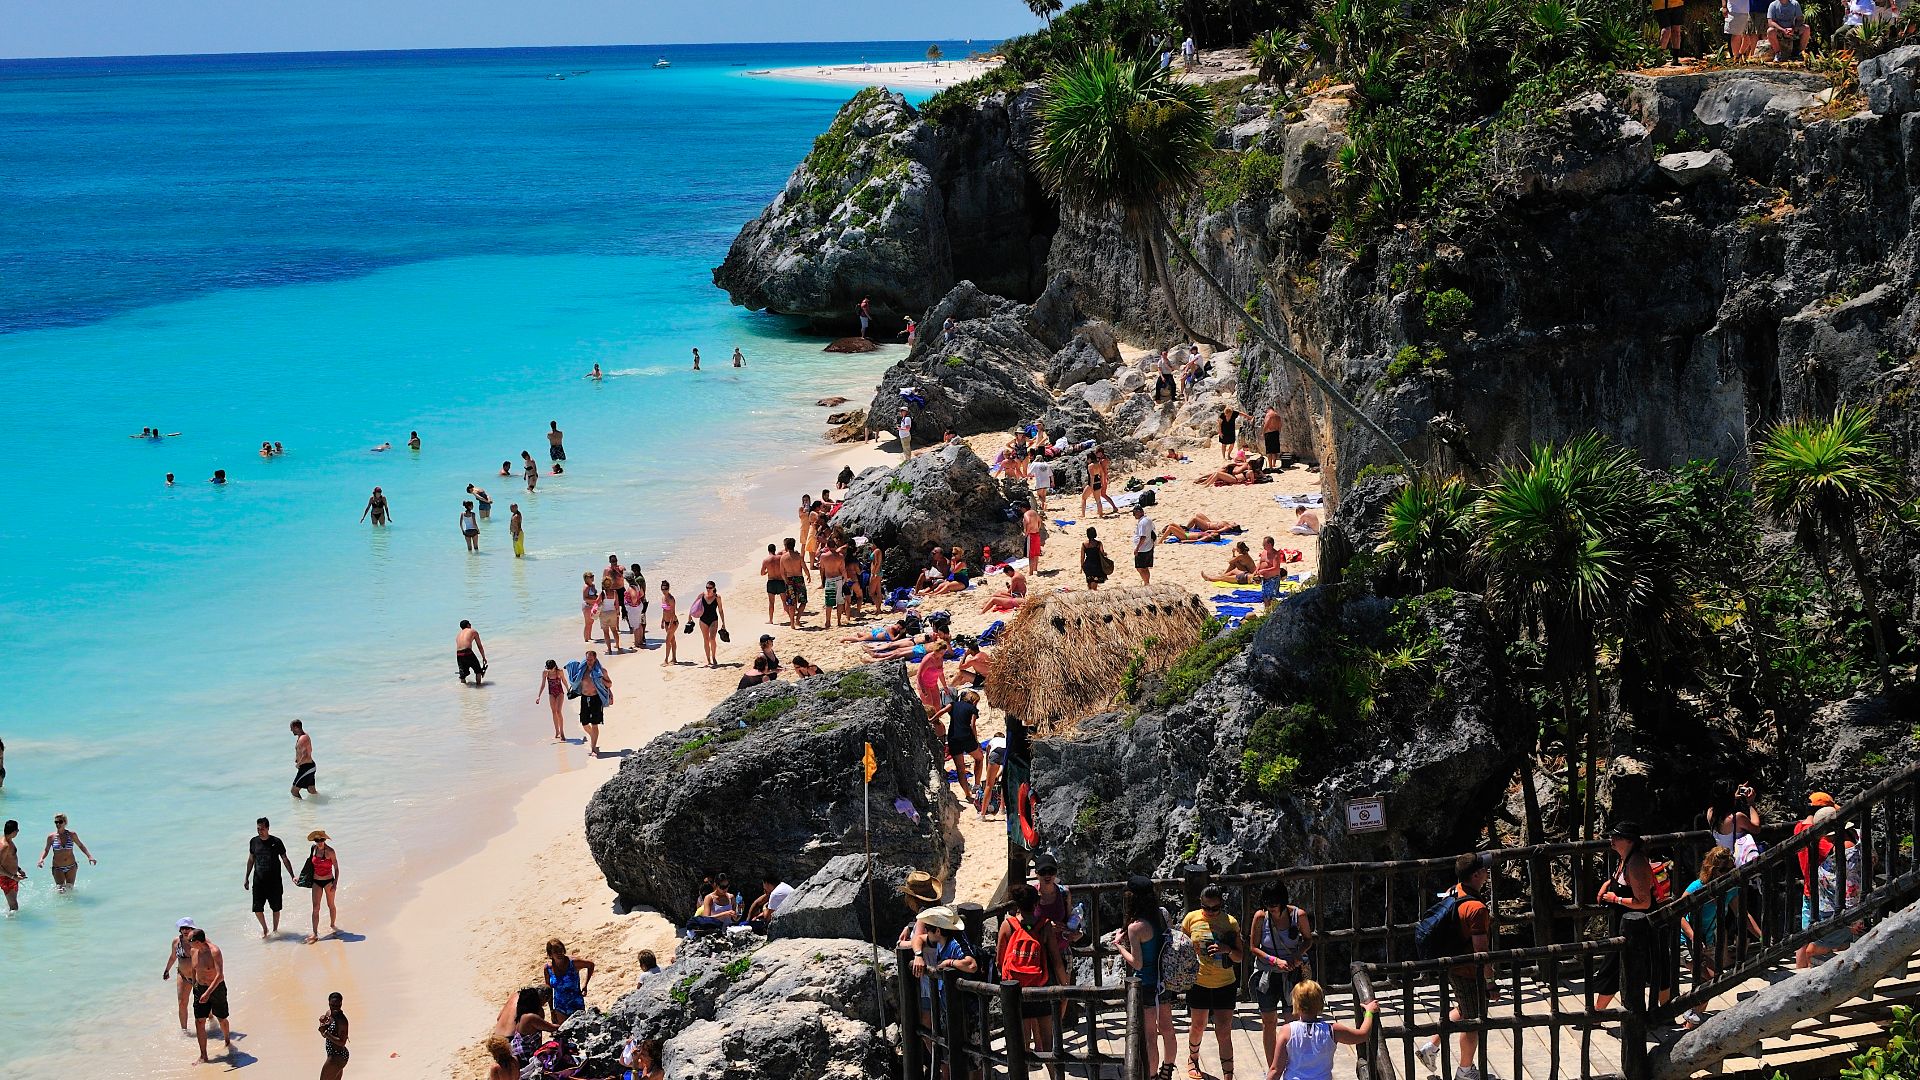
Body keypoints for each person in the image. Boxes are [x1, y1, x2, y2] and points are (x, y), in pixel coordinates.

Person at [1415, 853, 1495, 1077]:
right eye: (1485, 870)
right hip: (1468, 970)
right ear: (1477, 874)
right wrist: (1490, 982)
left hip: (1451, 963)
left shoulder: (1453, 891)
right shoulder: (1476, 909)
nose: (1488, 873)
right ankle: (1465, 1070)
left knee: (1463, 1008)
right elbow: (1481, 952)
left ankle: (1430, 1048)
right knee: (1473, 1022)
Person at [1112, 875, 1178, 1079]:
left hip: (1147, 984)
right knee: (1167, 1029)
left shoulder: (1135, 927)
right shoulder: (1162, 915)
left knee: (1150, 1036)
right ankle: (1167, 1072)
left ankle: (1151, 1075)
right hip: (1165, 980)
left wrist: (1119, 946)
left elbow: (1137, 963)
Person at [1250, 881, 1315, 1068]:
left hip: (1292, 975)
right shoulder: (1261, 917)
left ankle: (1293, 1066)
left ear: (1282, 900)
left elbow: (1308, 939)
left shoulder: (1298, 915)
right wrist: (1274, 961)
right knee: (1268, 1022)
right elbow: (1253, 947)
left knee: (1293, 1022)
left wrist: (1296, 955)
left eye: (1275, 901)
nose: (1271, 906)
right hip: (1268, 974)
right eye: (1268, 901)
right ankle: (1273, 1068)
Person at [1590, 824, 1655, 1010]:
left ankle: (1596, 1014)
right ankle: (1597, 1013)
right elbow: (1622, 880)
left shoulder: (1636, 863)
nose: (1612, 840)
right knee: (1646, 967)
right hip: (1624, 924)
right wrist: (1607, 884)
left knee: (1617, 967)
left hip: (1637, 928)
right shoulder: (1624, 859)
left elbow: (1644, 902)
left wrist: (1615, 898)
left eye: (1616, 837)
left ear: (1628, 840)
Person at [1183, 884, 1245, 1079]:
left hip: (1225, 984)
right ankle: (1193, 1059)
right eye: (1206, 908)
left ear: (1221, 905)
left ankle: (1228, 1074)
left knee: (1224, 1031)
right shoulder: (1191, 919)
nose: (1209, 912)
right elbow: (1181, 947)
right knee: (1198, 1025)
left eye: (1214, 908)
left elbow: (1240, 957)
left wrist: (1226, 949)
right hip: (1198, 982)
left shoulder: (1230, 923)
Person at [999, 884, 1064, 1072]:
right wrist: (1064, 986)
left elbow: (1000, 959)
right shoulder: (1044, 926)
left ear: (1016, 904)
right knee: (1049, 1044)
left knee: (1021, 1045)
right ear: (1037, 903)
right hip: (1041, 987)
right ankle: (1055, 1077)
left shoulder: (1007, 925)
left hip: (1015, 990)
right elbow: (1056, 960)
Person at [1266, 980, 1380, 1080]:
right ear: (1320, 1002)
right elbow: (1363, 1035)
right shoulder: (1332, 1030)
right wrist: (1369, 1012)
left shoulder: (1287, 1031)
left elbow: (1275, 1070)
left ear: (1296, 1003)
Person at [187, 928, 234, 1062]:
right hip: (200, 989)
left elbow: (220, 976)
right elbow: (193, 969)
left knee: (222, 1018)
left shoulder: (214, 952)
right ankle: (203, 1055)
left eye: (189, 940)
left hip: (216, 988)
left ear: (197, 941)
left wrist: (208, 993)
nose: (187, 942)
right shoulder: (193, 951)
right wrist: (195, 986)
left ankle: (227, 1040)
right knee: (199, 1021)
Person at [245, 817, 296, 937]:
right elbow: (251, 859)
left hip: (274, 882)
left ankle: (275, 929)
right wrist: (246, 877)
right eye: (258, 829)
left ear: (268, 828)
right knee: (257, 909)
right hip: (258, 881)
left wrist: (292, 875)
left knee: (276, 908)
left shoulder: (276, 842)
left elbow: (284, 859)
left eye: (262, 829)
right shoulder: (253, 842)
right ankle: (265, 929)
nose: (260, 831)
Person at [569, 650, 612, 757]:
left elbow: (610, 684)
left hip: (596, 699)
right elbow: (573, 677)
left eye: (591, 660)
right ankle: (593, 737)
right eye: (587, 659)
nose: (589, 662)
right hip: (584, 698)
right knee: (584, 723)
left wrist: (601, 680)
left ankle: (593, 748)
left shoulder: (601, 671)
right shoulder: (581, 671)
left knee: (594, 724)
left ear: (595, 659)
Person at [39, 812, 95, 890]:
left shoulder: (72, 834)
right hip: (58, 867)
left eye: (60, 822)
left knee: (70, 890)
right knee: (61, 891)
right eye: (56, 822)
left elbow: (81, 845)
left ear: (65, 822)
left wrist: (89, 856)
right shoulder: (51, 837)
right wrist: (41, 859)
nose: (58, 824)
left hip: (71, 866)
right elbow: (46, 850)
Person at [544, 938, 596, 1022]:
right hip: (560, 1006)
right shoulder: (548, 968)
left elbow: (591, 965)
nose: (559, 953)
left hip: (576, 1004)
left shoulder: (573, 963)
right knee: (563, 1033)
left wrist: (585, 985)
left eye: (561, 949)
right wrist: (552, 1011)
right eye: (556, 951)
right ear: (550, 954)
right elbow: (548, 990)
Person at [304, 829, 340, 943]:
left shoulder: (330, 851)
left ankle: (333, 925)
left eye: (321, 840)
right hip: (316, 881)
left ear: (324, 840)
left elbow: (336, 868)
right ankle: (315, 933)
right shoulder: (313, 849)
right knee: (316, 908)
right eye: (317, 840)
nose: (319, 842)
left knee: (331, 905)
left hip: (328, 881)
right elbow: (309, 865)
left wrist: (335, 883)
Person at [162, 918, 198, 1031]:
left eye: (187, 928)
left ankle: (211, 1019)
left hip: (198, 977)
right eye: (183, 928)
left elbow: (210, 952)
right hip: (183, 976)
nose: (185, 930)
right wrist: (167, 970)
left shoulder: (197, 941)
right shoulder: (176, 941)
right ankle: (184, 1031)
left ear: (192, 928)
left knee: (204, 1002)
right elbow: (173, 957)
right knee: (182, 1003)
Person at [693, 581, 727, 668]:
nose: (708, 589)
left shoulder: (717, 597)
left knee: (712, 639)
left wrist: (723, 622)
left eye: (710, 588)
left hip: (713, 620)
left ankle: (714, 657)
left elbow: (720, 610)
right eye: (707, 587)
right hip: (703, 620)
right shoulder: (702, 595)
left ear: (714, 588)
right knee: (706, 639)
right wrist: (689, 618)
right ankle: (708, 660)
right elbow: (693, 606)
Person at [319, 991, 351, 1077]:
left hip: (338, 1056)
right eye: (332, 1005)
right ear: (329, 1003)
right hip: (332, 1054)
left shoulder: (342, 1021)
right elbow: (323, 1034)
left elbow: (342, 1042)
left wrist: (326, 1033)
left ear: (341, 1003)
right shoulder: (328, 1014)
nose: (335, 1008)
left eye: (338, 1005)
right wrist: (322, 1024)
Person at [536, 660, 568, 740]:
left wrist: (568, 690)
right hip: (551, 693)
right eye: (548, 668)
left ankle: (562, 732)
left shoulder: (559, 671)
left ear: (554, 666)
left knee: (558, 711)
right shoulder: (545, 672)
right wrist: (538, 696)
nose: (549, 670)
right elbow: (543, 684)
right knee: (553, 712)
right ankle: (557, 732)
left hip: (560, 692)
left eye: (551, 668)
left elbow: (564, 680)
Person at [1255, 537, 1286, 613]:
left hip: (1273, 579)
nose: (1263, 545)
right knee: (1265, 596)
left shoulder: (1275, 555)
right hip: (1265, 579)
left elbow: (1275, 568)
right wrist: (1257, 569)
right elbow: (1261, 562)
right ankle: (1267, 612)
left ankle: (1272, 613)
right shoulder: (1264, 552)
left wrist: (1264, 570)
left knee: (1271, 598)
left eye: (1264, 544)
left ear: (1270, 544)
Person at [0, 819, 24, 913]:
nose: (18, 832)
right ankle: (13, 925)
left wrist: (19, 869)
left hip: (13, 877)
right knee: (14, 906)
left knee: (12, 904)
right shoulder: (4, 845)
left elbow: (9, 859)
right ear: (13, 831)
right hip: (6, 878)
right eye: (17, 830)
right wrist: (13, 876)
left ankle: (10, 922)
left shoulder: (9, 841)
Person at [291, 719, 318, 798]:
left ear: (296, 727)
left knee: (294, 791)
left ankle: (300, 810)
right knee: (311, 790)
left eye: (292, 728)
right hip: (308, 767)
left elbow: (305, 754)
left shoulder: (303, 738)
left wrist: (298, 764)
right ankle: (318, 808)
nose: (291, 730)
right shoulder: (301, 737)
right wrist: (297, 759)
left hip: (306, 767)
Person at [457, 619, 489, 685]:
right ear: (468, 625)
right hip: (468, 652)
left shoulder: (458, 635)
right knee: (478, 671)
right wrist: (483, 657)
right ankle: (479, 687)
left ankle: (463, 690)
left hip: (459, 654)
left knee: (462, 673)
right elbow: (479, 646)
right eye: (470, 624)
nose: (471, 625)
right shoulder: (473, 631)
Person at [1132, 504, 1157, 584]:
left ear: (1139, 512)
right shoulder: (1148, 519)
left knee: (1140, 568)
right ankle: (1147, 582)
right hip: (1149, 546)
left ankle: (1146, 583)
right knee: (1145, 568)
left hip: (1143, 549)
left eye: (1134, 513)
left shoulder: (1142, 523)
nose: (1134, 515)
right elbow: (1152, 532)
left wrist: (1137, 548)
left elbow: (1143, 537)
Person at [761, 542, 785, 624]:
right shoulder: (780, 558)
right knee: (784, 602)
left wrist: (768, 571)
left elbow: (762, 573)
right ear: (775, 550)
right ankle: (791, 619)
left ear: (768, 550)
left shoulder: (766, 560)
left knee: (771, 603)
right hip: (780, 581)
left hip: (771, 582)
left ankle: (771, 620)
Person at [597, 582, 622, 654]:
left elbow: (597, 602)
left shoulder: (602, 593)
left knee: (606, 632)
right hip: (613, 612)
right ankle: (617, 645)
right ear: (611, 584)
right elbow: (617, 604)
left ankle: (609, 649)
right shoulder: (615, 592)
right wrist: (618, 612)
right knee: (614, 630)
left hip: (604, 613)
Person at [659, 580, 680, 666]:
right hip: (666, 622)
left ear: (668, 589)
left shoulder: (671, 599)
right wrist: (662, 621)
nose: (664, 591)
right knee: (672, 640)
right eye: (663, 589)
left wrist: (671, 624)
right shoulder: (663, 598)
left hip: (673, 622)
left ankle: (666, 660)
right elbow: (664, 610)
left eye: (666, 589)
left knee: (668, 641)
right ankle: (674, 658)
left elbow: (673, 612)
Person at [1022, 502, 1045, 575]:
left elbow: (1028, 522)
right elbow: (1040, 521)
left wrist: (1026, 532)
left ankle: (1031, 572)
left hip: (1031, 535)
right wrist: (1037, 528)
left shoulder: (1026, 514)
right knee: (1036, 553)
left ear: (1024, 508)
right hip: (1037, 534)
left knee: (1031, 554)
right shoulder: (1034, 512)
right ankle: (1035, 568)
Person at [581, 571, 600, 643]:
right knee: (587, 623)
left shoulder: (592, 585)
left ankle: (589, 637)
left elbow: (594, 594)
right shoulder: (586, 587)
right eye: (591, 577)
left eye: (593, 576)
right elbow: (585, 598)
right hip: (587, 606)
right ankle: (586, 639)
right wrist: (595, 601)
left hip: (593, 606)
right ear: (586, 579)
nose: (592, 578)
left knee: (591, 622)